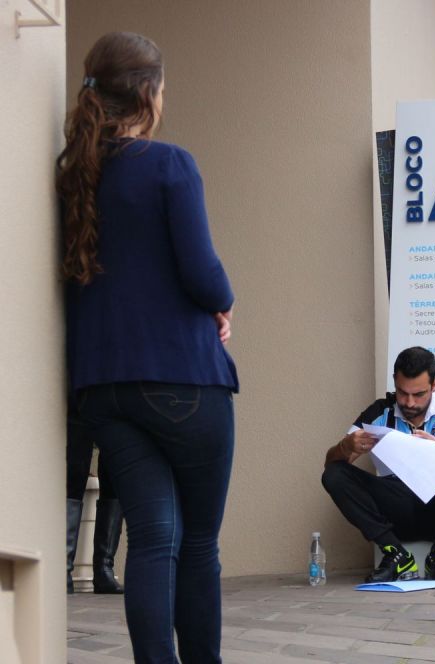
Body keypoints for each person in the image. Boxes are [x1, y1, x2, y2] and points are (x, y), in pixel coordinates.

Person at [60, 32, 238, 662]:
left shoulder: (72, 173)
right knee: (196, 545)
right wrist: (223, 301)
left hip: (104, 388)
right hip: (183, 381)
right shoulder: (169, 164)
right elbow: (203, 275)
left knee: (153, 541)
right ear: (148, 93)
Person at [321, 347, 435, 585]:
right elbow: (333, 465)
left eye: (419, 394)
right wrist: (346, 445)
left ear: (434, 385)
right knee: (334, 475)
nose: (410, 402)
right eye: (402, 393)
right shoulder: (379, 411)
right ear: (395, 382)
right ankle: (396, 554)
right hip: (399, 510)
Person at [66, 417, 123, 595]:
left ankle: (104, 568)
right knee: (75, 469)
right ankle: (63, 568)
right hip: (81, 398)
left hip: (114, 402)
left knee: (114, 473)